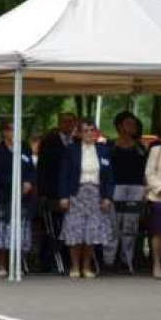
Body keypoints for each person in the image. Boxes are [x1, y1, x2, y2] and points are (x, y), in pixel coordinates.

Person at [59, 118, 115, 279]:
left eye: (92, 130)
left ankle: (86, 267)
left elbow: (110, 177)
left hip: (96, 194)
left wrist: (107, 197)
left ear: (96, 133)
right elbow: (64, 174)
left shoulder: (104, 150)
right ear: (80, 133)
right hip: (77, 194)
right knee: (75, 231)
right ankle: (75, 267)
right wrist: (63, 196)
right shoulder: (72, 150)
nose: (89, 133)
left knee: (91, 233)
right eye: (85, 130)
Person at [0, 121, 37, 277]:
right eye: (11, 129)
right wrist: (15, 184)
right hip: (3, 196)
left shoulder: (25, 149)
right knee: (1, 231)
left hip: (23, 198)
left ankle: (15, 264)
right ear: (4, 132)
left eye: (18, 129)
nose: (16, 132)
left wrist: (28, 182)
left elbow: (31, 169)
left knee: (19, 231)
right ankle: (0, 263)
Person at [104, 111, 147, 273]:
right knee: (113, 225)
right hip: (115, 189)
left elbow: (145, 172)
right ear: (120, 126)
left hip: (136, 190)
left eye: (134, 124)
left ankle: (126, 261)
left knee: (130, 226)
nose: (133, 126)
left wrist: (144, 191)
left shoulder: (140, 148)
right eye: (129, 123)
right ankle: (108, 261)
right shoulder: (110, 147)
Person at [37, 112, 77, 271]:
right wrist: (42, 192)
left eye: (71, 122)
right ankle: (47, 261)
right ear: (59, 123)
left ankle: (68, 260)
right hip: (52, 191)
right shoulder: (49, 141)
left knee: (70, 227)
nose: (68, 125)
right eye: (65, 122)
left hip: (73, 192)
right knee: (52, 227)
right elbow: (42, 168)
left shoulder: (77, 142)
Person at [145, 122, 161, 279]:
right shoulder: (156, 150)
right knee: (158, 233)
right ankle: (157, 263)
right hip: (159, 197)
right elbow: (149, 173)